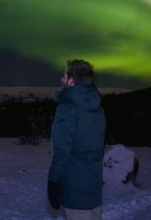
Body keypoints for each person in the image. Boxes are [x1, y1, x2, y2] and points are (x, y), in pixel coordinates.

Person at [47, 59, 106, 220]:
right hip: (93, 187)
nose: (61, 80)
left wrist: (53, 181)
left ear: (72, 80)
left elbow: (61, 152)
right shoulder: (98, 108)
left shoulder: (67, 108)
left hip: (75, 189)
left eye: (64, 76)